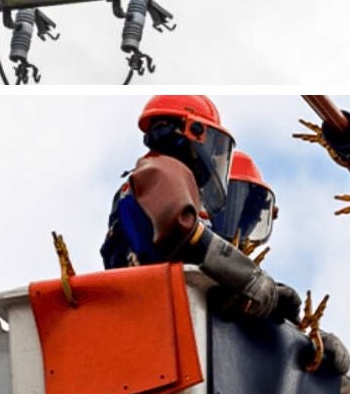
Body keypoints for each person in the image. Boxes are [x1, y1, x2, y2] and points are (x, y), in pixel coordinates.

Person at [100, 95, 302, 325]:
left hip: (149, 309)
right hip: (150, 307)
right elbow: (181, 227)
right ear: (193, 131)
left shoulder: (156, 180)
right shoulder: (161, 170)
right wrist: (247, 277)